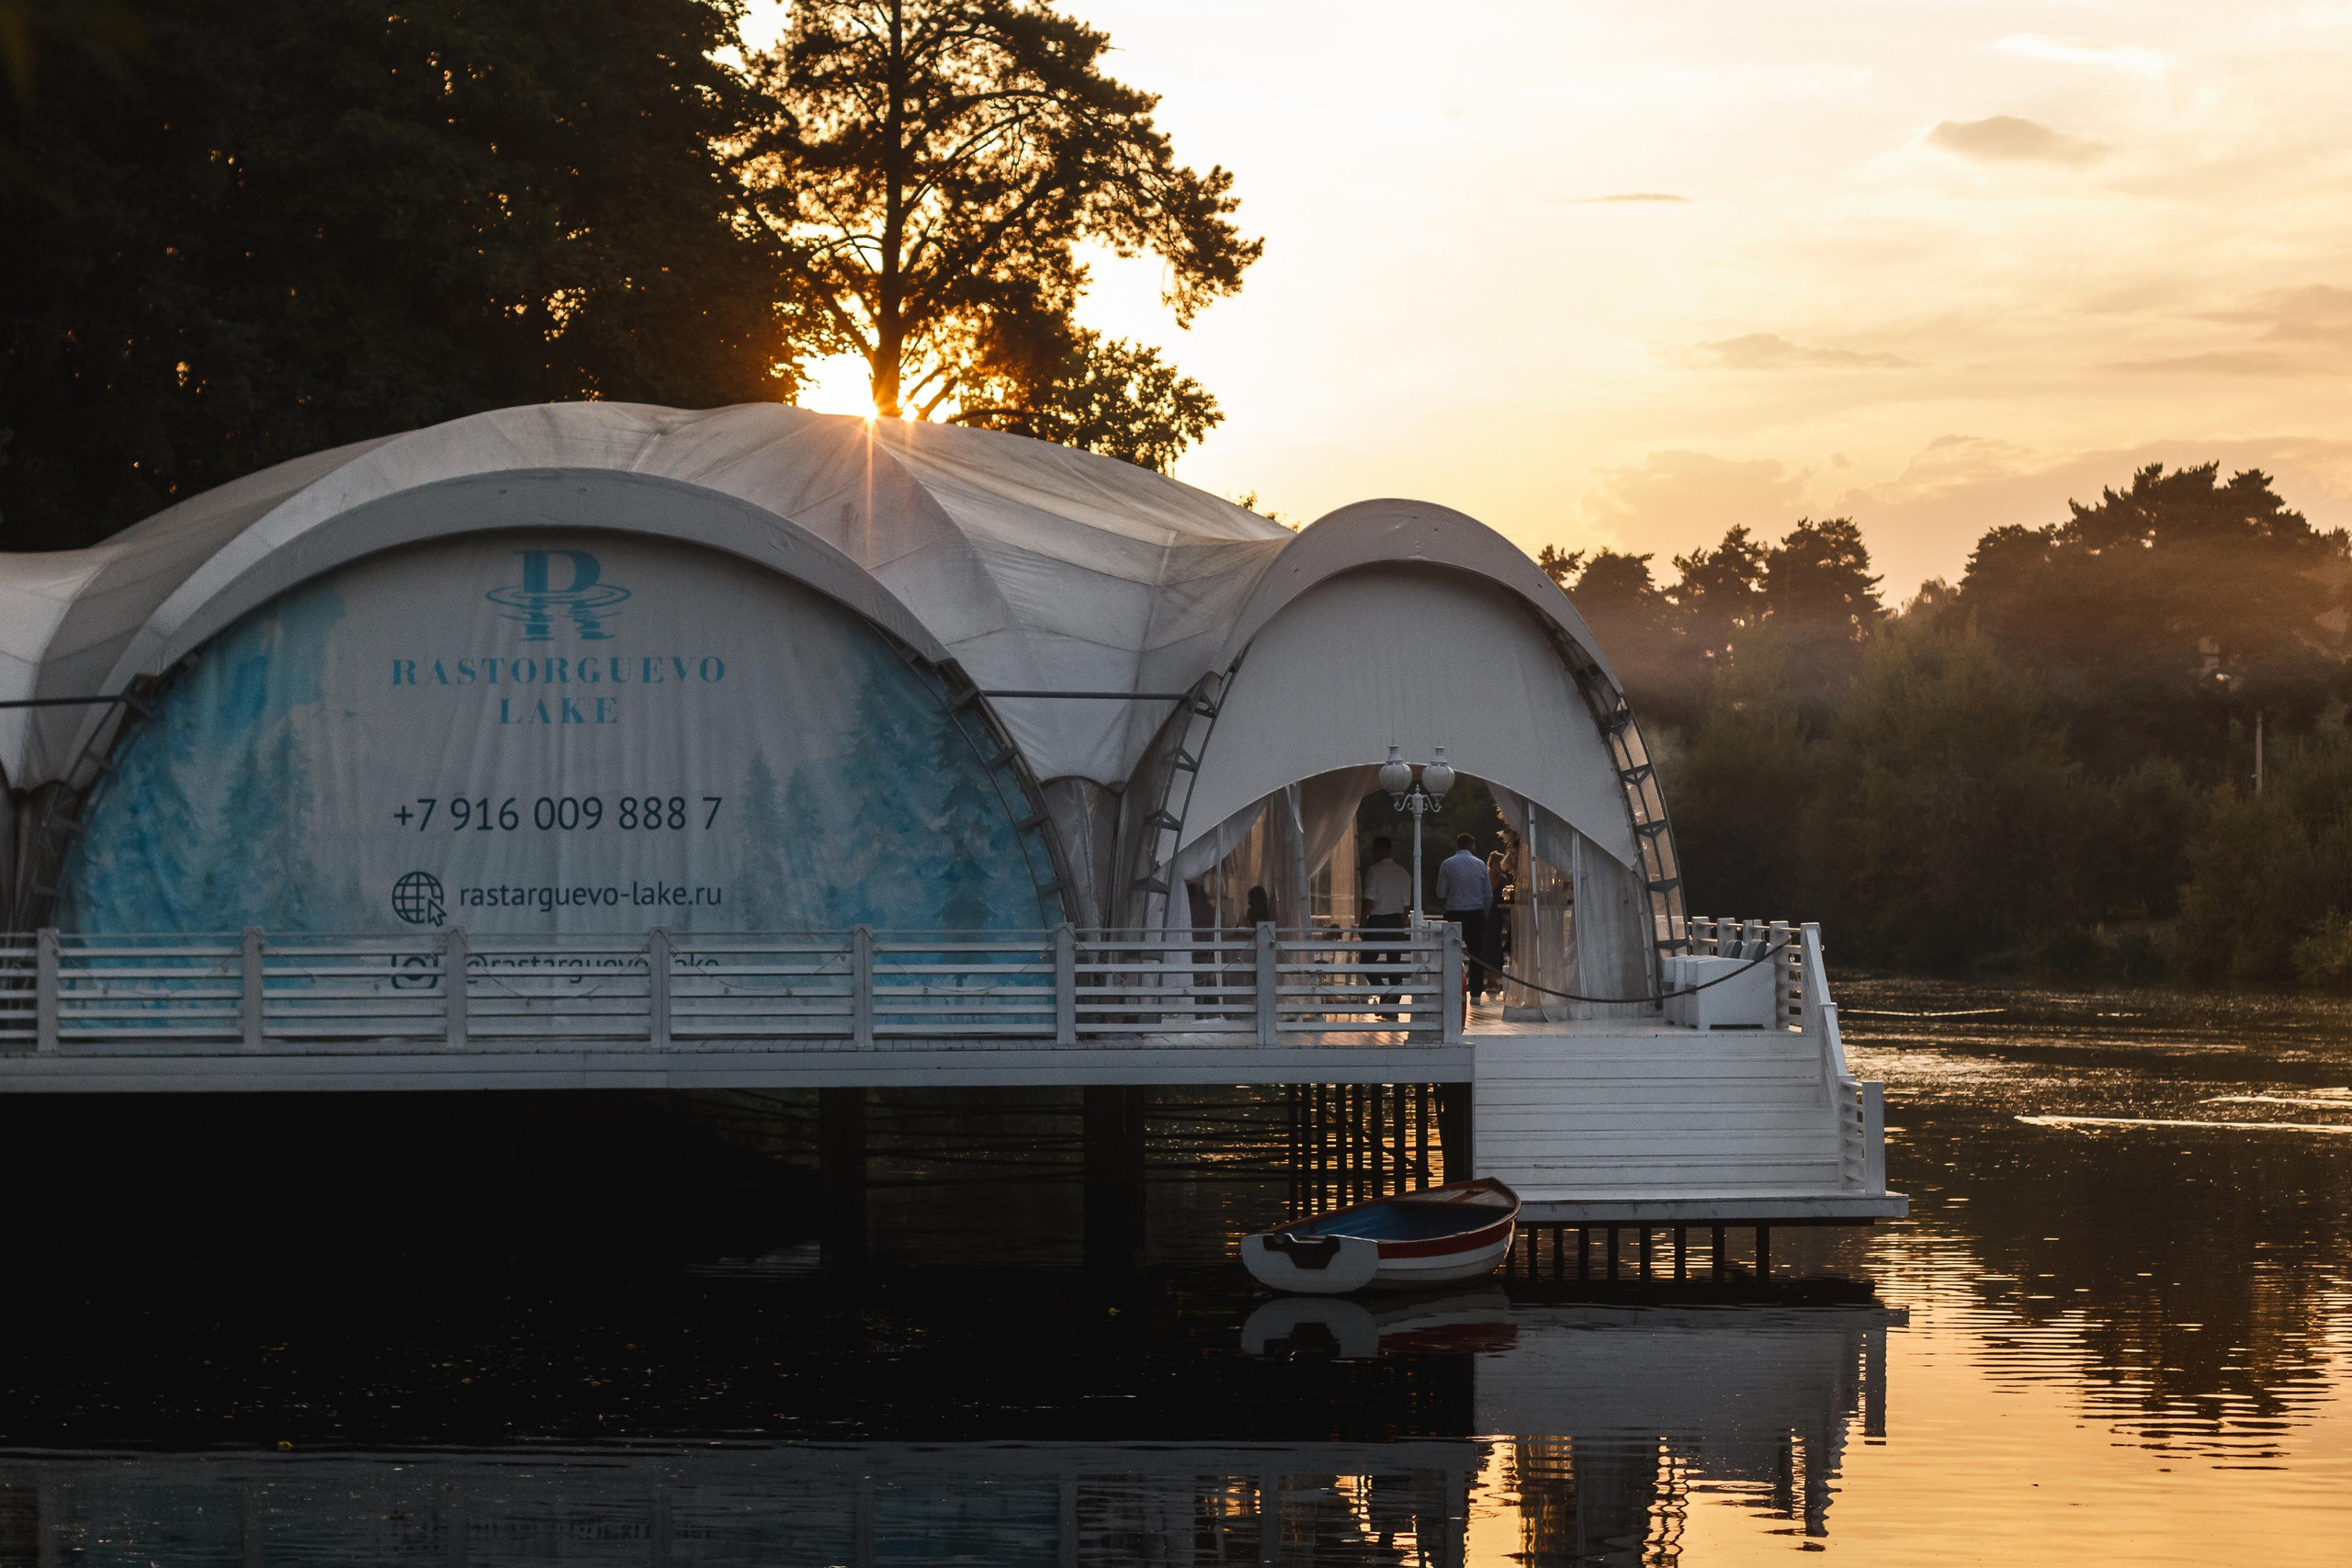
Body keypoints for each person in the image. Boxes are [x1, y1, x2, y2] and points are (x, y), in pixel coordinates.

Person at [1359, 836, 1413, 1014]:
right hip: (1397, 920)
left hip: (1378, 920)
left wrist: (1363, 922)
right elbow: (1406, 904)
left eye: (1374, 849)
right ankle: (1392, 1004)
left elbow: (1368, 899)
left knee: (1366, 962)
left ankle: (1384, 994)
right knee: (1394, 964)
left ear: (1381, 850)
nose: (1373, 853)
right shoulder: (1404, 873)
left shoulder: (1374, 871)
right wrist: (1402, 922)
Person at [1437, 833, 1492, 998]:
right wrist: (1485, 914)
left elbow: (1440, 893)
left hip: (1454, 912)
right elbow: (1488, 894)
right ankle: (1475, 993)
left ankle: (1452, 990)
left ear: (1457, 845)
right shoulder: (1480, 864)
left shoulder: (1447, 864)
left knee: (1450, 951)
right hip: (1475, 913)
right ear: (1472, 845)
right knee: (1476, 954)